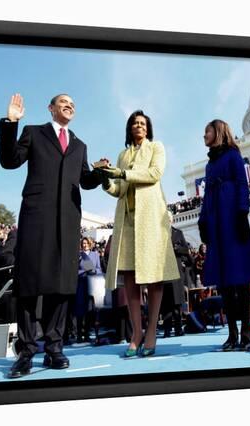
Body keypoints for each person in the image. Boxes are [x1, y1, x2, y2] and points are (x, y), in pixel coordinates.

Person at [0, 93, 102, 378]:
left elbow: (85, 180)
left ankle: (55, 348)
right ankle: (27, 351)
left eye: (73, 102)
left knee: (62, 285)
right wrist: (11, 122)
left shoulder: (80, 145)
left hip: (67, 221)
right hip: (36, 217)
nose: (70, 104)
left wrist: (100, 173)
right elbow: (9, 160)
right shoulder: (34, 133)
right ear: (51, 108)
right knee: (30, 283)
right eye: (64, 101)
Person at [97, 110, 180, 357]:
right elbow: (119, 189)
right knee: (130, 277)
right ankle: (136, 332)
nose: (139, 126)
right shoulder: (123, 155)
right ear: (129, 128)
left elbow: (154, 174)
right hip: (128, 219)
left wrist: (122, 174)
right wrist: (105, 179)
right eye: (135, 123)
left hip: (151, 218)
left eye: (143, 123)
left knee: (153, 276)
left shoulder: (157, 148)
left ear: (148, 128)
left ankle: (152, 330)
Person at [197, 119, 250, 351]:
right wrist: (203, 220)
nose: (204, 135)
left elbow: (243, 184)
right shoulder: (209, 164)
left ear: (219, 132)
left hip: (232, 219)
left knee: (240, 279)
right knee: (224, 281)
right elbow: (206, 195)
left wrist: (243, 212)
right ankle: (231, 332)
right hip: (215, 221)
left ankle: (246, 332)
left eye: (207, 130)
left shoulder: (233, 155)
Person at [161, 213, 191, 338]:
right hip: (163, 271)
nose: (167, 221)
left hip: (177, 271)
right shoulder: (159, 233)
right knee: (166, 303)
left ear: (172, 220)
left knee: (177, 302)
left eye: (169, 219)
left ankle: (178, 329)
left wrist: (176, 248)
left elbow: (185, 249)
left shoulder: (178, 233)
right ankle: (167, 330)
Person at [75, 237, 103, 343]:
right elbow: (75, 271)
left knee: (89, 310)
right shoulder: (78, 255)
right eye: (83, 243)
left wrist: (94, 270)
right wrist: (83, 271)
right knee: (79, 309)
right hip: (81, 284)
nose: (85, 245)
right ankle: (79, 335)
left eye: (86, 243)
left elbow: (99, 269)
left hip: (91, 284)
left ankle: (86, 334)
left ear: (90, 244)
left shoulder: (95, 255)